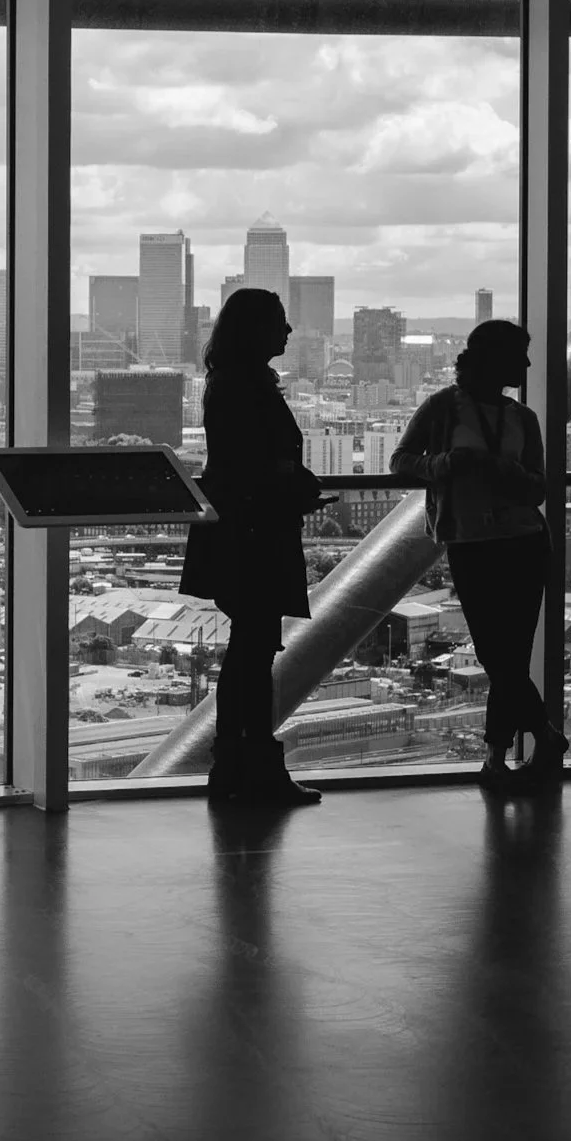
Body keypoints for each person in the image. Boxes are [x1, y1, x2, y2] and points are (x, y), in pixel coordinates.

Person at [390, 320, 567, 793]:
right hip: (480, 544)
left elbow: (537, 486)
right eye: (520, 356)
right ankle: (542, 738)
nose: (528, 365)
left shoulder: (521, 417)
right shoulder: (443, 408)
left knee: (504, 655)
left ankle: (498, 758)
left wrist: (491, 470)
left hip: (520, 542)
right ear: (495, 359)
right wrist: (448, 464)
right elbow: (401, 462)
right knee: (500, 655)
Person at [180, 288, 324, 807]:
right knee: (253, 654)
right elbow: (256, 463)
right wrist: (293, 482)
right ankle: (255, 766)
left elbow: (238, 462)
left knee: (248, 652)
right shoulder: (248, 387)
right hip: (256, 534)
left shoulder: (229, 383)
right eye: (280, 323)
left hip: (239, 532)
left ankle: (236, 765)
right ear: (256, 330)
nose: (288, 332)